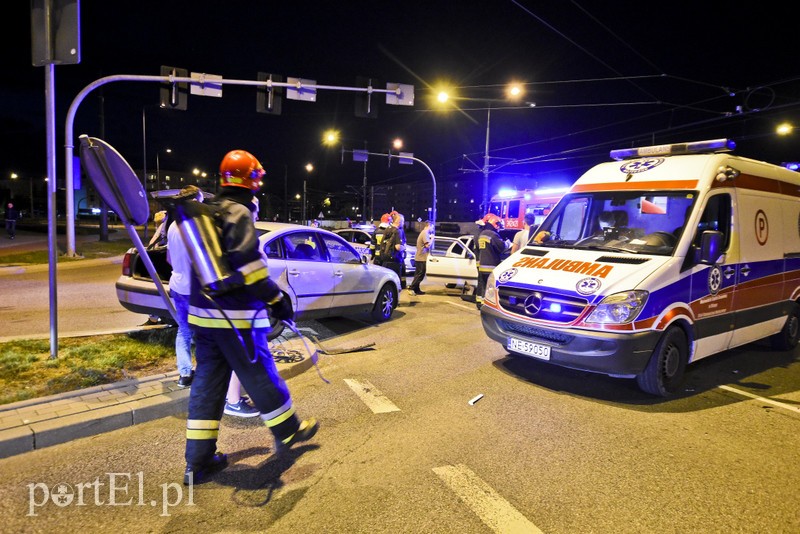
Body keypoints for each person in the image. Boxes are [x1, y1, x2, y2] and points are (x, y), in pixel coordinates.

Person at [182, 149, 318, 485]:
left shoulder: (208, 212)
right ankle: (289, 431)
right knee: (260, 374)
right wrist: (276, 300)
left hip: (205, 319)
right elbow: (250, 265)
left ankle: (197, 462)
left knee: (207, 387)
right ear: (252, 179)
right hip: (237, 319)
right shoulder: (238, 211)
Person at [166, 185, 260, 417]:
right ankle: (228, 396)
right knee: (210, 343)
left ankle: (185, 374)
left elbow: (169, 257)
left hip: (177, 285)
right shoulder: (199, 226)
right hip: (197, 291)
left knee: (184, 332)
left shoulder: (171, 226)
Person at [476, 213, 505, 309]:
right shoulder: (492, 235)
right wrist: (508, 243)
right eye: (498, 225)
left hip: (482, 266)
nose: (498, 227)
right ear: (495, 223)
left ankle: (480, 303)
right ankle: (489, 306)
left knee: (483, 285)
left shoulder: (482, 234)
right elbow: (501, 247)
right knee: (491, 288)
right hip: (491, 266)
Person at [407, 220, 433, 296]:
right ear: (429, 226)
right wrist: (432, 239)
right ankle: (411, 288)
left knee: (418, 274)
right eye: (432, 227)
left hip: (420, 257)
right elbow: (427, 245)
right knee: (420, 274)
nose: (432, 230)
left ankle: (416, 289)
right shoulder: (425, 233)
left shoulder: (424, 233)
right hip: (421, 257)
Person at [380, 211, 405, 283]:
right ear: (399, 221)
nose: (403, 223)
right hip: (394, 261)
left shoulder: (387, 229)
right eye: (403, 221)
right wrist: (403, 247)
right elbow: (398, 247)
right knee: (395, 282)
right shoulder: (397, 231)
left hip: (385, 259)